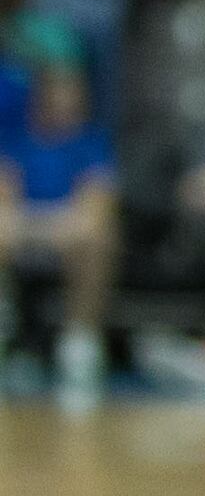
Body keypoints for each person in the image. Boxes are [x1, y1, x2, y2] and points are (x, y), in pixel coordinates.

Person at [2, 56, 117, 406]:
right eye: (56, 92)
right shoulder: (15, 141)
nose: (63, 101)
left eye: (71, 94)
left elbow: (95, 207)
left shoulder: (92, 143)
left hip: (66, 233)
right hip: (25, 227)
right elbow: (4, 196)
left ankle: (79, 341)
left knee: (97, 239)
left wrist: (44, 225)